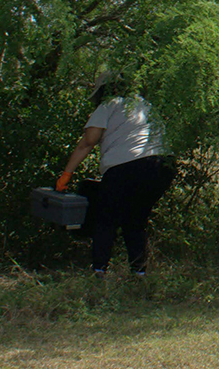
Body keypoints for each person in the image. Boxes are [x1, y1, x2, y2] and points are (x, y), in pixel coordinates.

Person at [56, 70, 177, 277]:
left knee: (106, 219)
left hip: (128, 166)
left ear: (106, 90)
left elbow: (88, 142)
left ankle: (99, 272)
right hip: (162, 167)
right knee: (135, 220)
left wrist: (66, 174)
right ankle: (139, 274)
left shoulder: (108, 105)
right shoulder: (145, 105)